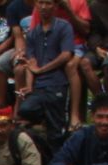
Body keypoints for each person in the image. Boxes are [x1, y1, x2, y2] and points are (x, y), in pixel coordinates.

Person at [17, 0, 79, 136]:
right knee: (25, 110)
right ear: (36, 5)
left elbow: (66, 55)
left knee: (57, 132)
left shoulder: (64, 27)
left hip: (58, 83)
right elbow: (31, 63)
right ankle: (45, 116)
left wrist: (42, 69)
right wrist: (29, 85)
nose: (44, 7)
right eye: (41, 3)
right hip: (39, 86)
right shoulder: (33, 33)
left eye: (48, 3)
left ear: (56, 6)